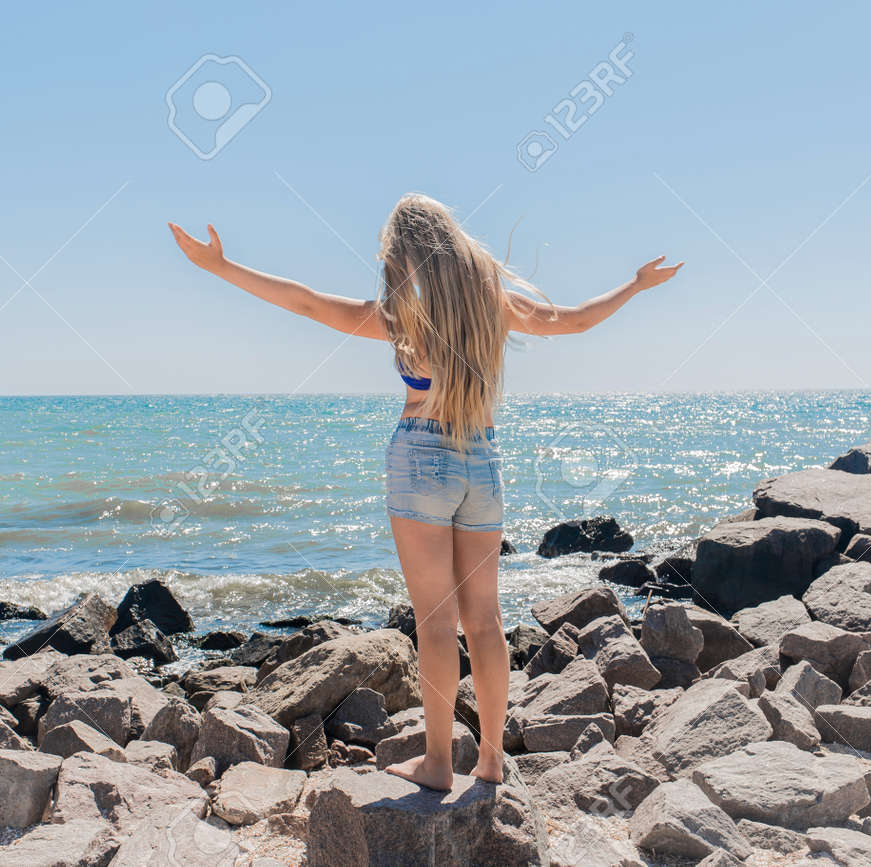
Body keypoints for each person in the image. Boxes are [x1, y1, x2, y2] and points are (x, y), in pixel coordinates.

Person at [168, 192, 681, 790]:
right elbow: (574, 319)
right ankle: (490, 761)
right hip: (482, 462)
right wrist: (635, 285)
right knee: (486, 621)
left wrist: (222, 268)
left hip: (421, 458)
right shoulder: (494, 304)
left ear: (405, 253)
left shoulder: (403, 318)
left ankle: (438, 764)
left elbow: (305, 303)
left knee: (437, 622)